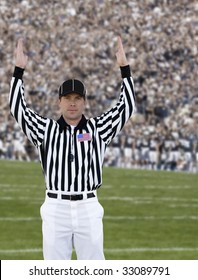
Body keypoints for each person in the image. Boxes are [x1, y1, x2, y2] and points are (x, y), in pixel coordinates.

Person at [9, 36, 136, 260]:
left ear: (84, 101)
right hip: (55, 206)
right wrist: (18, 72)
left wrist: (125, 69)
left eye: (77, 98)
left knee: (94, 270)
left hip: (88, 205)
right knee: (55, 271)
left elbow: (127, 106)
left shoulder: (99, 128)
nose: (73, 103)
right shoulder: (45, 129)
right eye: (67, 98)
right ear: (59, 101)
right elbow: (18, 109)